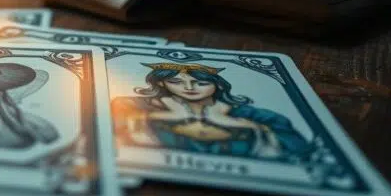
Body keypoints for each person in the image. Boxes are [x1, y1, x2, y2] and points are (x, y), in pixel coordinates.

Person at [111, 62, 310, 160]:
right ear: (162, 82)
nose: (189, 88)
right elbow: (102, 127)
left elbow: (299, 148)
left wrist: (238, 124)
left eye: (201, 82)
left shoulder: (252, 115)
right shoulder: (132, 105)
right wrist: (158, 116)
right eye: (176, 82)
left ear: (218, 85)